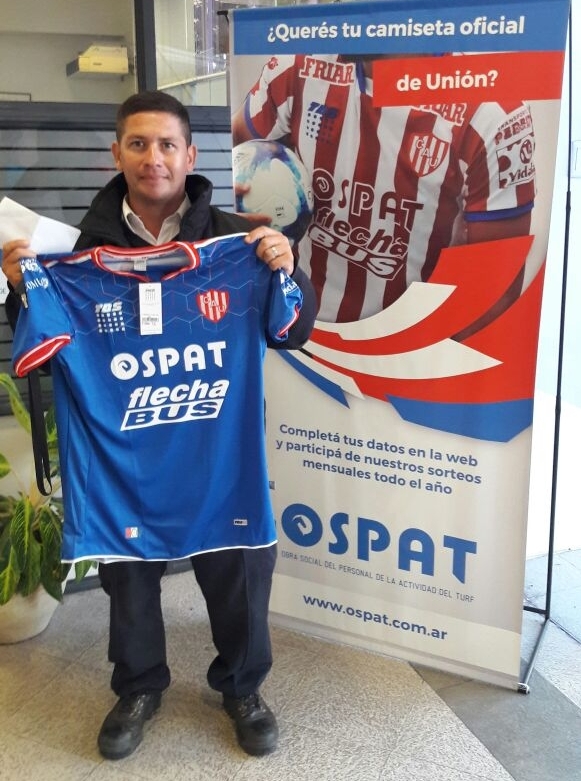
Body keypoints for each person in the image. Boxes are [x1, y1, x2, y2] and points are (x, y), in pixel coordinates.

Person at [2, 90, 317, 760]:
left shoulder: (235, 238)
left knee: (238, 571)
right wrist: (20, 287)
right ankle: (139, 684)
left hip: (216, 449)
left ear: (189, 154)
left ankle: (240, 685)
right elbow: (44, 344)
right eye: (138, 144)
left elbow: (291, 331)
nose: (153, 158)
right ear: (115, 153)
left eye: (167, 144)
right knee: (130, 578)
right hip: (126, 456)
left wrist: (289, 270)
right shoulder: (76, 249)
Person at [231, 53, 537, 330]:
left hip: (407, 357)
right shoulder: (295, 66)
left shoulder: (493, 110)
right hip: (293, 330)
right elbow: (233, 163)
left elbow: (495, 294)